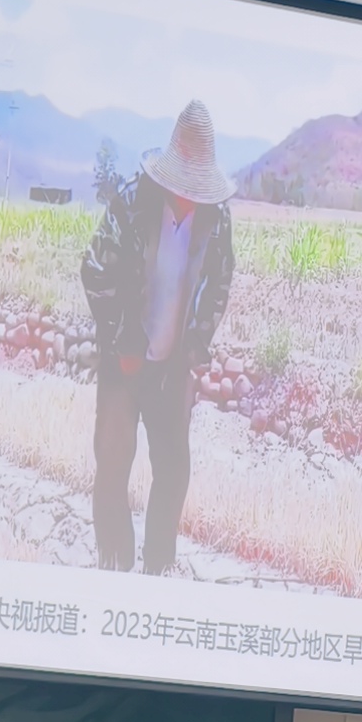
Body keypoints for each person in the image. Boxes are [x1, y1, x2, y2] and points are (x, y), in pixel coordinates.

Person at [76, 103, 231, 574]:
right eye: (182, 187)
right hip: (124, 364)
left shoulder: (216, 218)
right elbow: (95, 271)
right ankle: (114, 569)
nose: (188, 198)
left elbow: (220, 282)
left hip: (172, 367)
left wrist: (196, 343)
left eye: (196, 190)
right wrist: (123, 340)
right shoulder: (132, 202)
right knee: (113, 466)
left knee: (173, 470)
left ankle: (157, 573)